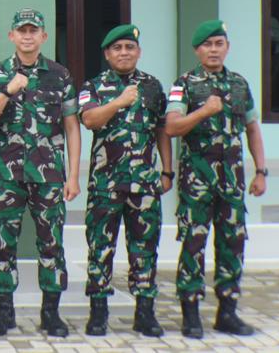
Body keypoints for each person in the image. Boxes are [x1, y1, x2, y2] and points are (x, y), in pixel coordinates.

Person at [0, 8, 80, 338]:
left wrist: (73, 175)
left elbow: (72, 127)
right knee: (3, 244)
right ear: (12, 36)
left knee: (51, 244)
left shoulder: (60, 75)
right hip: (8, 176)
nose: (28, 36)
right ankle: (4, 313)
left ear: (44, 36)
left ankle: (51, 313)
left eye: (34, 30)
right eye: (22, 30)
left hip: (48, 177)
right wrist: (7, 91)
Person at [165, 19, 268, 338]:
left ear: (227, 47)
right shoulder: (185, 83)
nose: (213, 50)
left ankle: (228, 312)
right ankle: (191, 314)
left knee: (233, 243)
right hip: (197, 180)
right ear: (197, 50)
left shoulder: (239, 84)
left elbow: (252, 128)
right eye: (207, 45)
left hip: (232, 181)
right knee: (193, 242)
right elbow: (172, 128)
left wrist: (261, 171)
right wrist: (203, 112)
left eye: (218, 44)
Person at [79, 24, 172, 338]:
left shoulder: (152, 86)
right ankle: (98, 313)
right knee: (100, 249)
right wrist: (118, 101)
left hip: (144, 184)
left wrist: (167, 171)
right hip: (105, 185)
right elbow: (90, 120)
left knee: (144, 249)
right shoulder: (92, 86)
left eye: (129, 48)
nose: (123, 53)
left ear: (138, 52)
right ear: (107, 54)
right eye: (117, 48)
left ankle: (145, 313)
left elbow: (162, 130)